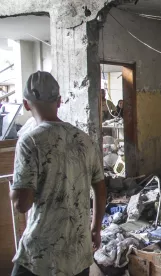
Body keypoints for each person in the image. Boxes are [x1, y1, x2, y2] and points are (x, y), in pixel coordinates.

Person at [9, 71, 106, 276]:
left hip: (42, 255)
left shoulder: (29, 142)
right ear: (60, 101)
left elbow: (21, 204)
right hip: (78, 251)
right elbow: (100, 186)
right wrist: (96, 228)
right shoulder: (85, 140)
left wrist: (15, 189)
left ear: (27, 104)